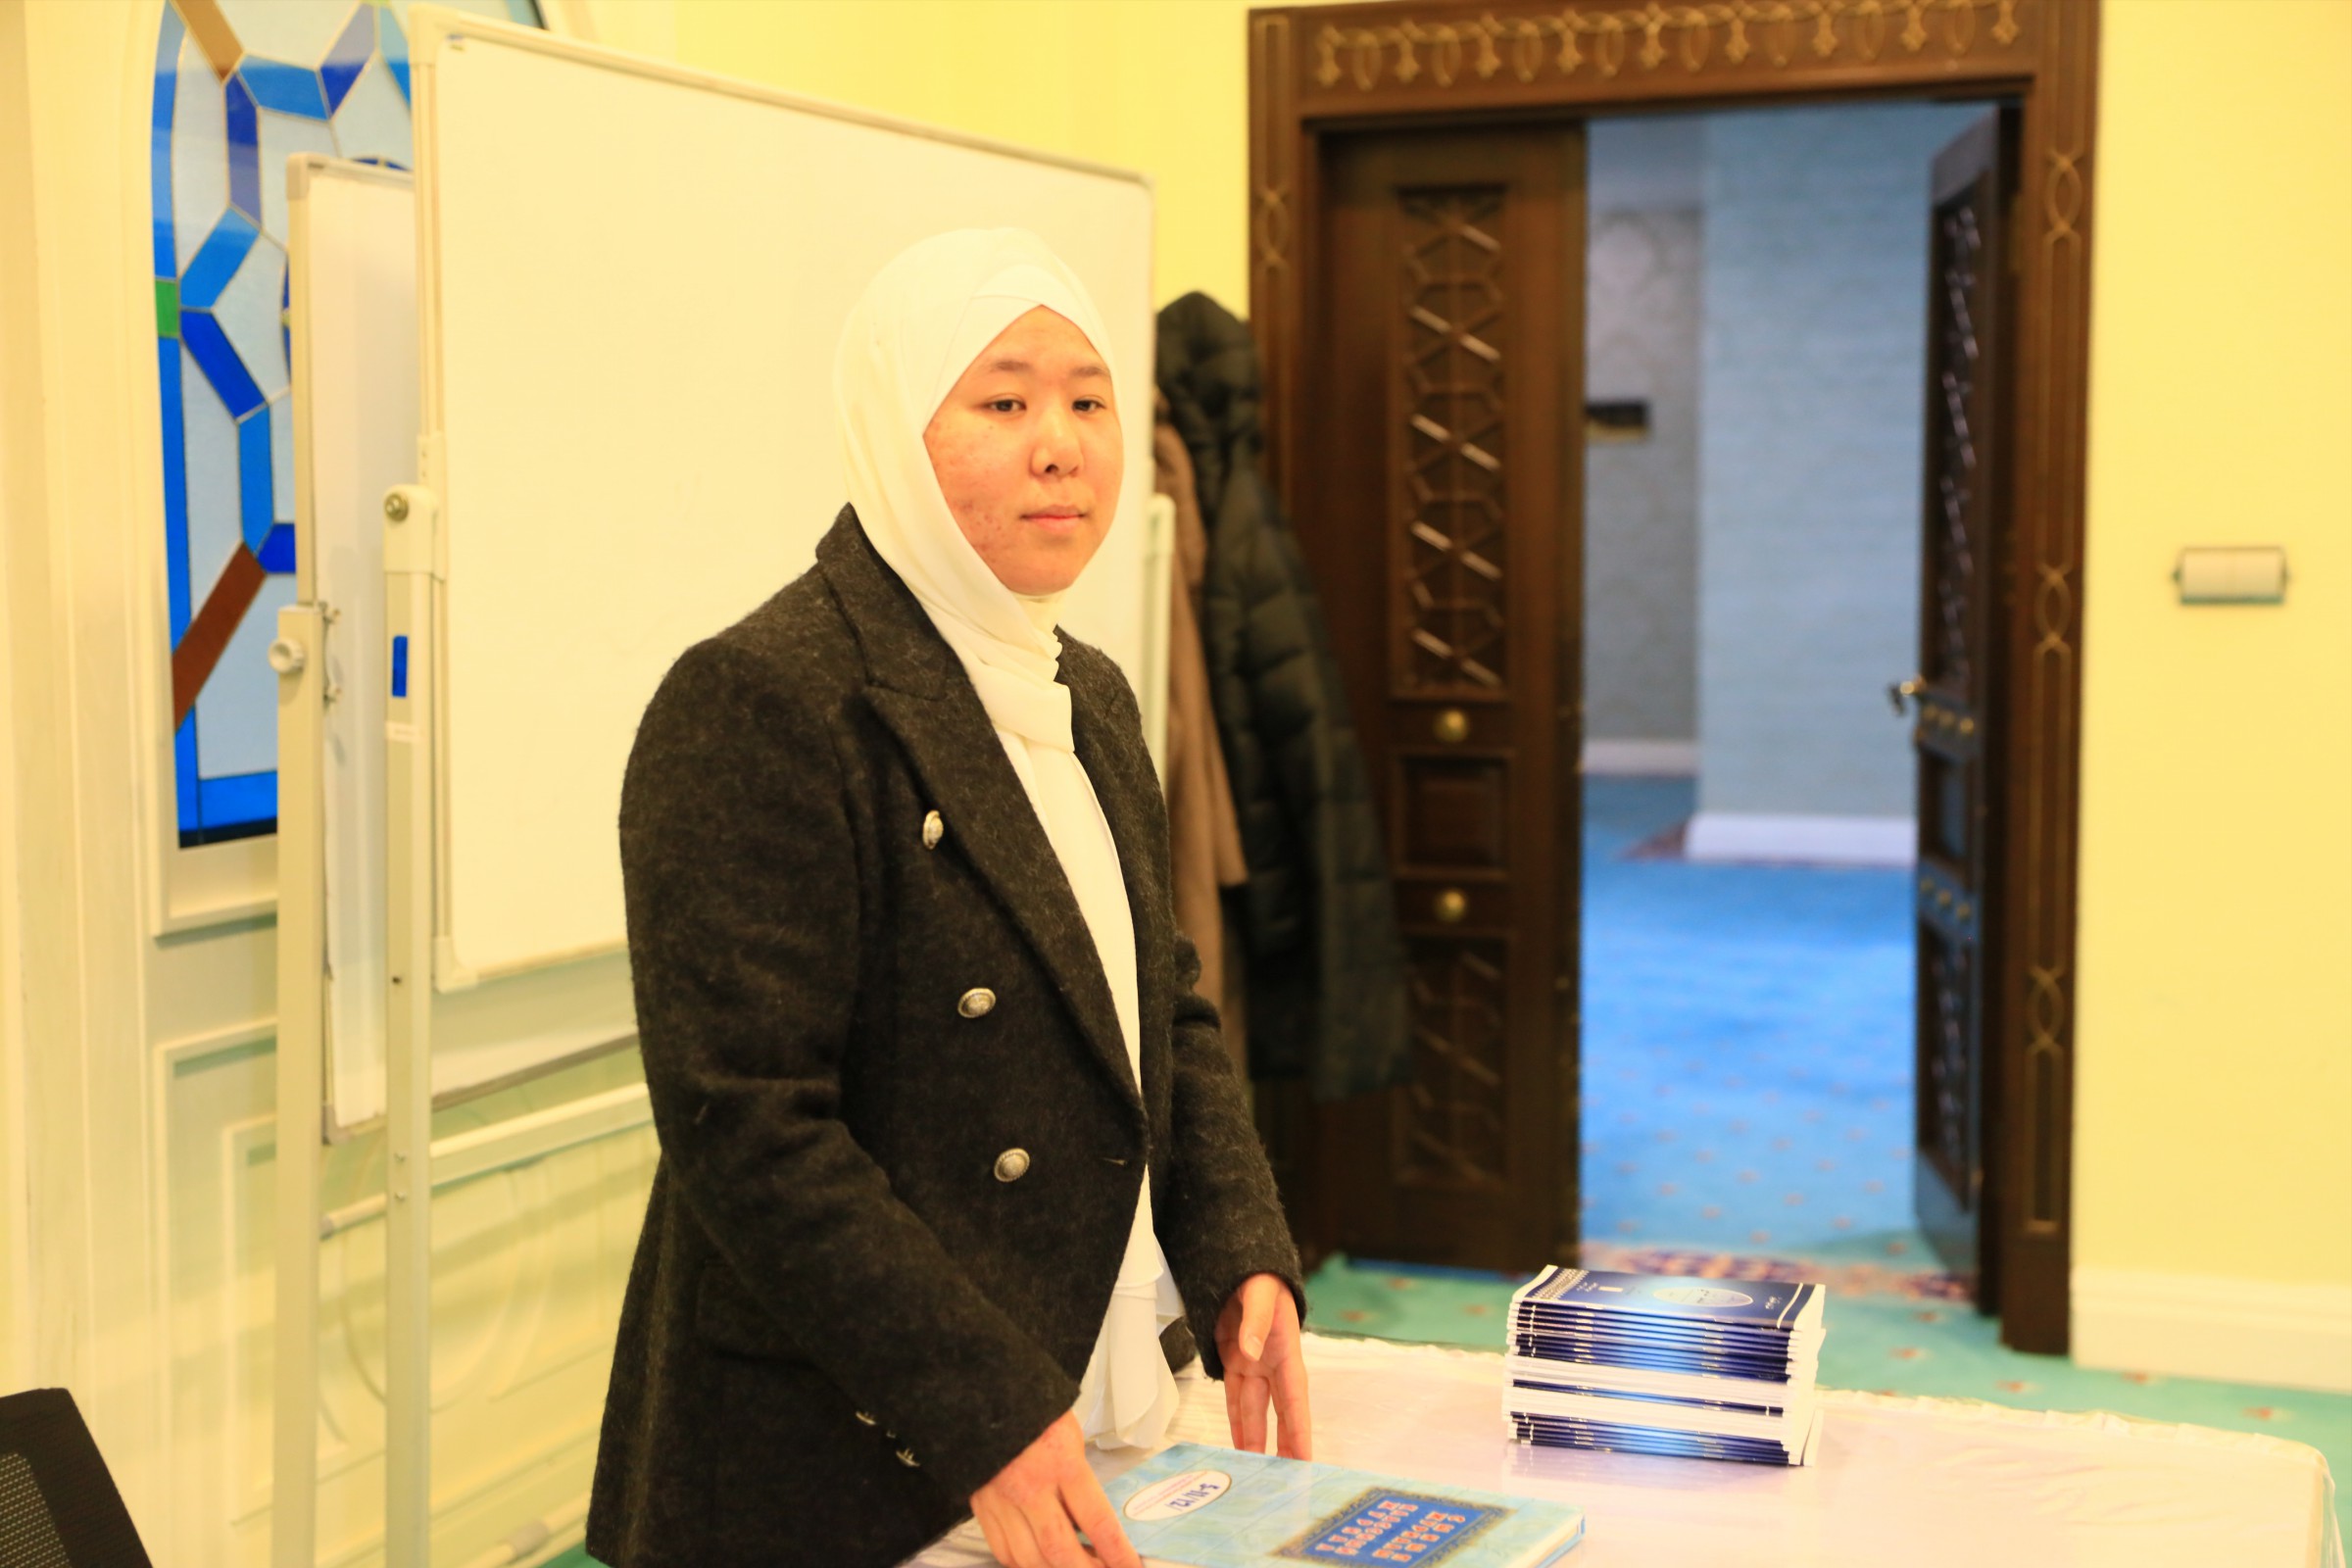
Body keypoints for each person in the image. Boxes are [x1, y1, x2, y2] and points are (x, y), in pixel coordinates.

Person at [584, 229, 1311, 1568]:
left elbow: (1161, 1008)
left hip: (1084, 1399)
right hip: (844, 1452)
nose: (1063, 447)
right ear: (892, 429)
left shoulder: (1088, 692)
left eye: (1089, 400)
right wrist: (980, 1405)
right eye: (1004, 401)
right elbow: (749, 1129)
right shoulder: (764, 699)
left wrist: (1236, 1247)